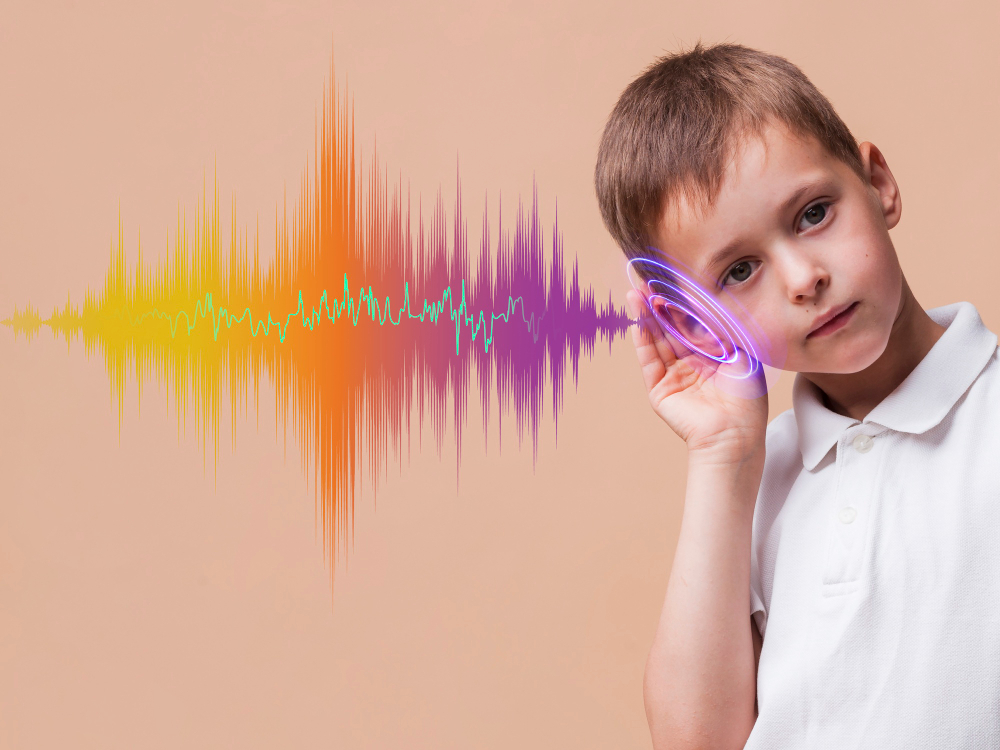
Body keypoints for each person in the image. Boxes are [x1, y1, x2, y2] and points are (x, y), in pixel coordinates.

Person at [594, 41, 1000, 749]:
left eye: (813, 213)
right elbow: (696, 742)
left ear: (878, 183)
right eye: (740, 270)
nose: (803, 278)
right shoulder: (753, 482)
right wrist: (724, 455)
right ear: (695, 324)